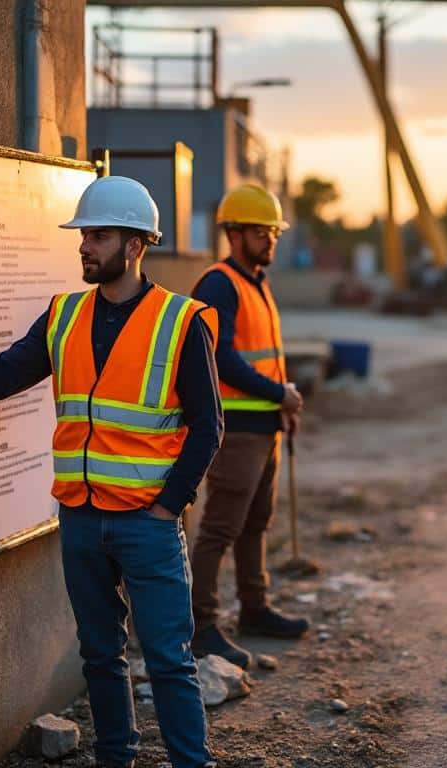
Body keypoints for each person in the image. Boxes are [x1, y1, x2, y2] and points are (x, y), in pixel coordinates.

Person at [0, 175, 221, 768]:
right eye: (84, 234)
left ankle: (192, 762)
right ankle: (116, 756)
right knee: (100, 654)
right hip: (81, 521)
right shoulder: (63, 316)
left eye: (98, 236)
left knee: (167, 658)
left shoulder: (180, 322)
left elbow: (209, 428)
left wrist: (169, 505)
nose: (84, 246)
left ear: (135, 245)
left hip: (147, 525)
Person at [188, 183, 309, 669]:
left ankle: (255, 609)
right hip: (236, 430)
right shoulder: (220, 283)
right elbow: (223, 357)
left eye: (274, 232)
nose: (271, 240)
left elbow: (261, 357)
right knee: (220, 527)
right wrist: (280, 393)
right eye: (262, 232)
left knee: (256, 523)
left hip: (265, 426)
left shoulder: (256, 282)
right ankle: (201, 627)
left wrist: (281, 405)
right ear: (234, 233)